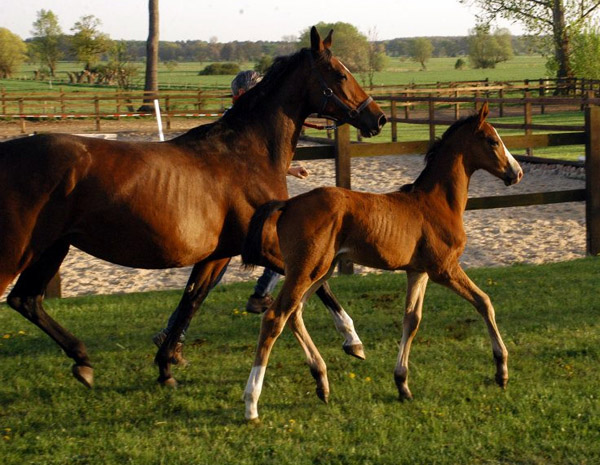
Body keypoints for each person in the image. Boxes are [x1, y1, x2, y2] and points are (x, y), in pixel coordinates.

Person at [153, 70, 309, 364]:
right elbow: (241, 159)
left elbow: (253, 159)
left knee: (212, 276)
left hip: (231, 200)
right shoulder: (237, 120)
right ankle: (259, 295)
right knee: (276, 245)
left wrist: (288, 169)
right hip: (227, 203)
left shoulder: (247, 117)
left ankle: (175, 332)